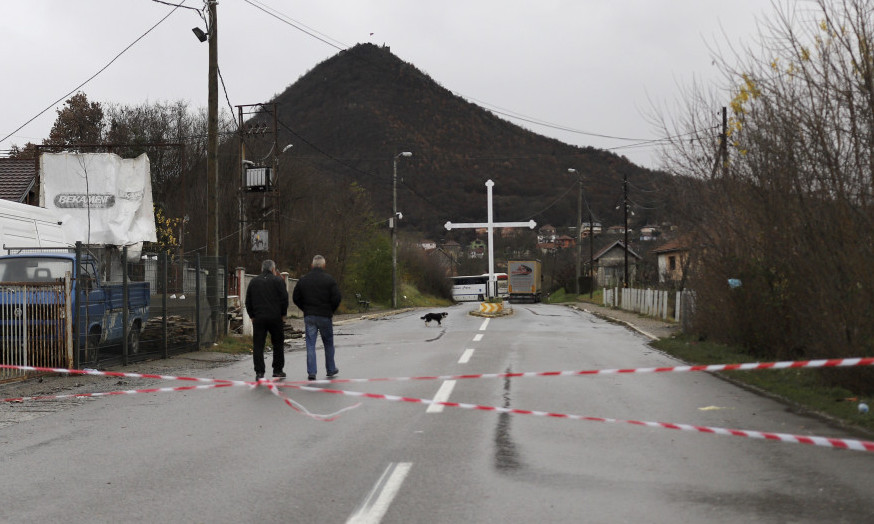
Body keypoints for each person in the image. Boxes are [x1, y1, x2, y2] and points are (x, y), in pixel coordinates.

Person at [292, 254, 341, 380]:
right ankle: (330, 369)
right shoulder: (329, 280)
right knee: (328, 343)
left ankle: (312, 372)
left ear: (312, 265)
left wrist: (305, 309)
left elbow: (295, 297)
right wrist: (331, 310)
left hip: (310, 316)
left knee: (310, 344)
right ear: (324, 265)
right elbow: (337, 297)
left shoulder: (304, 280)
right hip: (325, 315)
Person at [245, 259, 289, 381]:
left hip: (259, 318)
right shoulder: (279, 281)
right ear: (273, 269)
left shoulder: (254, 282)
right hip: (275, 317)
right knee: (278, 344)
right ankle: (277, 370)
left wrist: (252, 315)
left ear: (261, 269)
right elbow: (284, 299)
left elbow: (248, 301)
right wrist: (283, 314)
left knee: (258, 345)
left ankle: (259, 372)